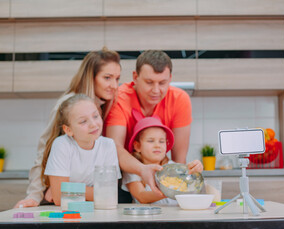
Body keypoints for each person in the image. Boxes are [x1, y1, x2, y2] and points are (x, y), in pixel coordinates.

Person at [14, 47, 121, 208]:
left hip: (86, 199)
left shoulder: (104, 104)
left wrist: (73, 190)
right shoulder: (67, 105)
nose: (114, 85)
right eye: (107, 78)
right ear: (91, 77)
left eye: (117, 78)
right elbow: (44, 149)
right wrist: (35, 195)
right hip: (58, 196)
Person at [105, 50, 193, 199]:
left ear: (170, 78)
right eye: (149, 82)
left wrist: (176, 188)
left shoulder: (180, 100)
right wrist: (142, 170)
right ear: (135, 77)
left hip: (161, 177)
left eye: (163, 83)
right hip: (122, 178)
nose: (156, 90)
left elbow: (179, 160)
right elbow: (115, 149)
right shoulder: (119, 98)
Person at [43, 94, 121, 204]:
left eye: (95, 116)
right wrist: (95, 192)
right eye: (83, 121)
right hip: (63, 213)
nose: (93, 124)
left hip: (93, 210)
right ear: (68, 130)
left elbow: (110, 195)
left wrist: (68, 188)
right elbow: (59, 198)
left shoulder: (108, 145)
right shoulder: (62, 145)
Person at [122, 109, 202, 204]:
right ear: (137, 146)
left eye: (161, 141)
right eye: (151, 141)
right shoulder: (134, 170)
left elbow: (188, 182)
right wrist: (168, 191)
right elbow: (141, 196)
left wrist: (195, 169)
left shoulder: (172, 167)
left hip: (174, 217)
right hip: (147, 218)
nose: (157, 145)